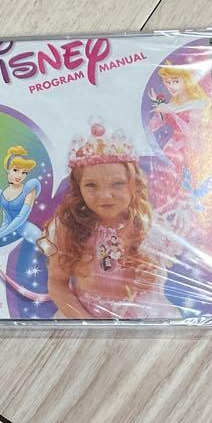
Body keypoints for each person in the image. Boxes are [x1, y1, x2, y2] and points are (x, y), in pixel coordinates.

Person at [41, 124, 180, 319]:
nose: (105, 195)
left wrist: (149, 278)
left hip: (136, 319)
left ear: (133, 184)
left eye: (117, 183)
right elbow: (57, 283)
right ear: (78, 188)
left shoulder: (146, 226)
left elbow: (155, 279)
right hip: (84, 315)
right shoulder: (69, 227)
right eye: (91, 185)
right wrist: (85, 322)